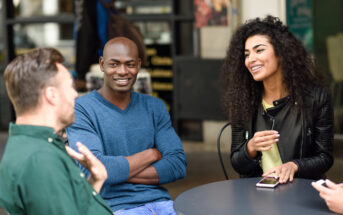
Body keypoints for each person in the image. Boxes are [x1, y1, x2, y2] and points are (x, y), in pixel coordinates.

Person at [66, 37, 187, 214]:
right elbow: (94, 168)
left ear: (138, 65)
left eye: (129, 64)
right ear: (102, 64)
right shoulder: (81, 109)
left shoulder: (155, 107)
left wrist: (115, 173)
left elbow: (177, 165)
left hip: (162, 203)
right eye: (114, 64)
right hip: (116, 207)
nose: (122, 71)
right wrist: (151, 154)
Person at [221, 16, 334, 183]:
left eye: (259, 50)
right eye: (246, 54)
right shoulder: (243, 101)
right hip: (256, 194)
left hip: (300, 192)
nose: (250, 59)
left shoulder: (316, 97)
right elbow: (238, 164)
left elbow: (325, 157)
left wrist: (295, 166)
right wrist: (250, 148)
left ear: (281, 52)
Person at [0, 48, 113, 215]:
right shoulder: (40, 159)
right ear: (51, 95)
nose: (75, 94)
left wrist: (95, 182)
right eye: (70, 86)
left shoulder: (33, 146)